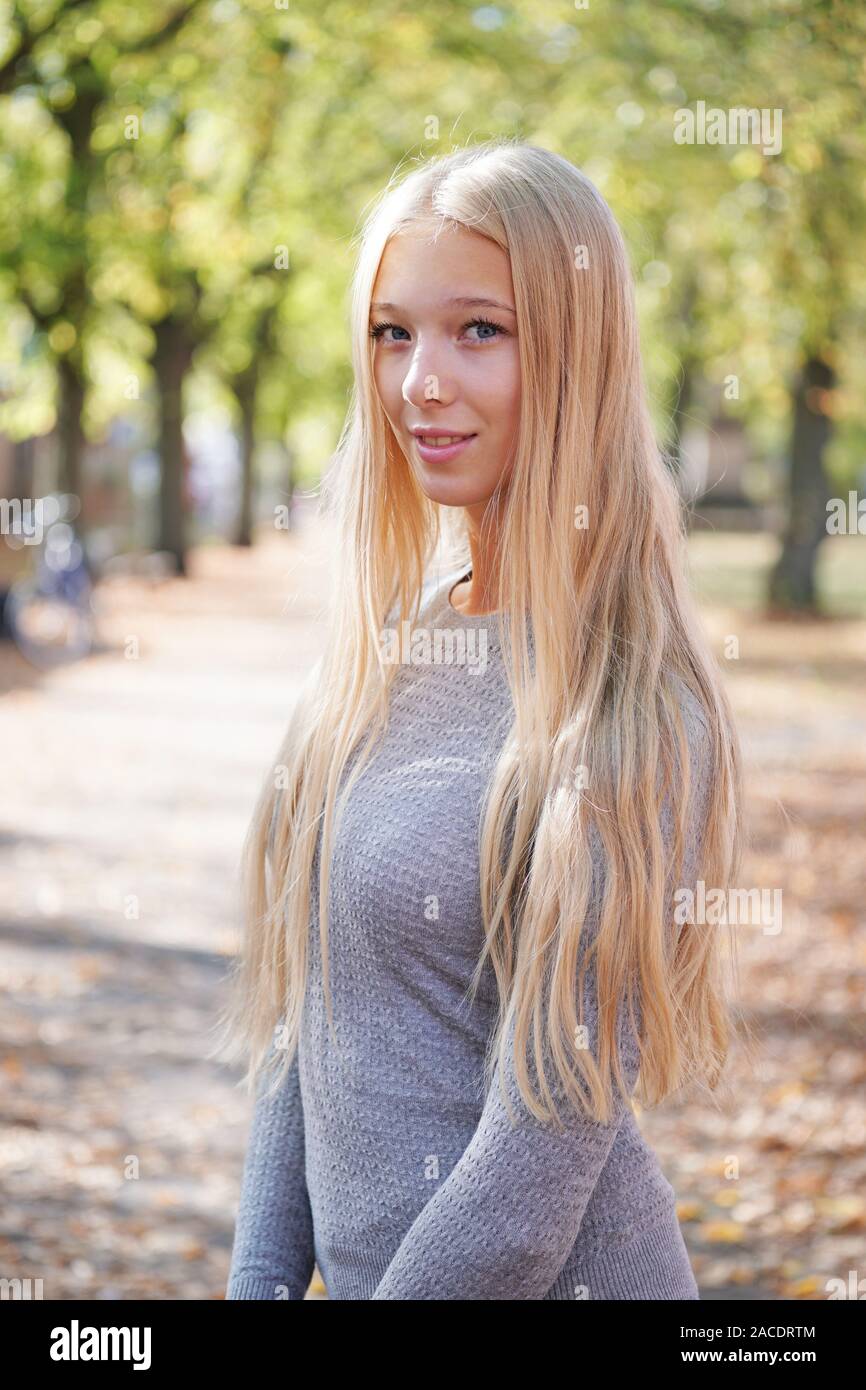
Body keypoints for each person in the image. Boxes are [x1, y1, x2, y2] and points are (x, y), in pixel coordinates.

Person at [214, 138, 743, 1301]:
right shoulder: (388, 650)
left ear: (573, 352)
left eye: (478, 331)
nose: (420, 382)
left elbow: (528, 1176)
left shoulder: (630, 705)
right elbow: (310, 1018)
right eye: (392, 332)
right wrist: (257, 1281)